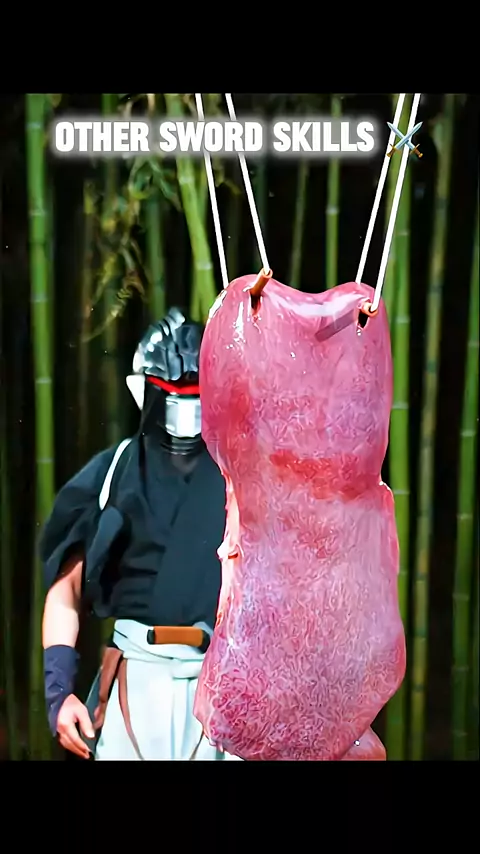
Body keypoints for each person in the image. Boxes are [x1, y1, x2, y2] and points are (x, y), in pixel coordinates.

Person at [40, 307, 241, 761]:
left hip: (226, 682)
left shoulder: (244, 479)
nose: (186, 412)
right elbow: (66, 590)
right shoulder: (112, 473)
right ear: (145, 390)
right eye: (173, 397)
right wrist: (58, 691)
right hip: (136, 677)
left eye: (197, 397)